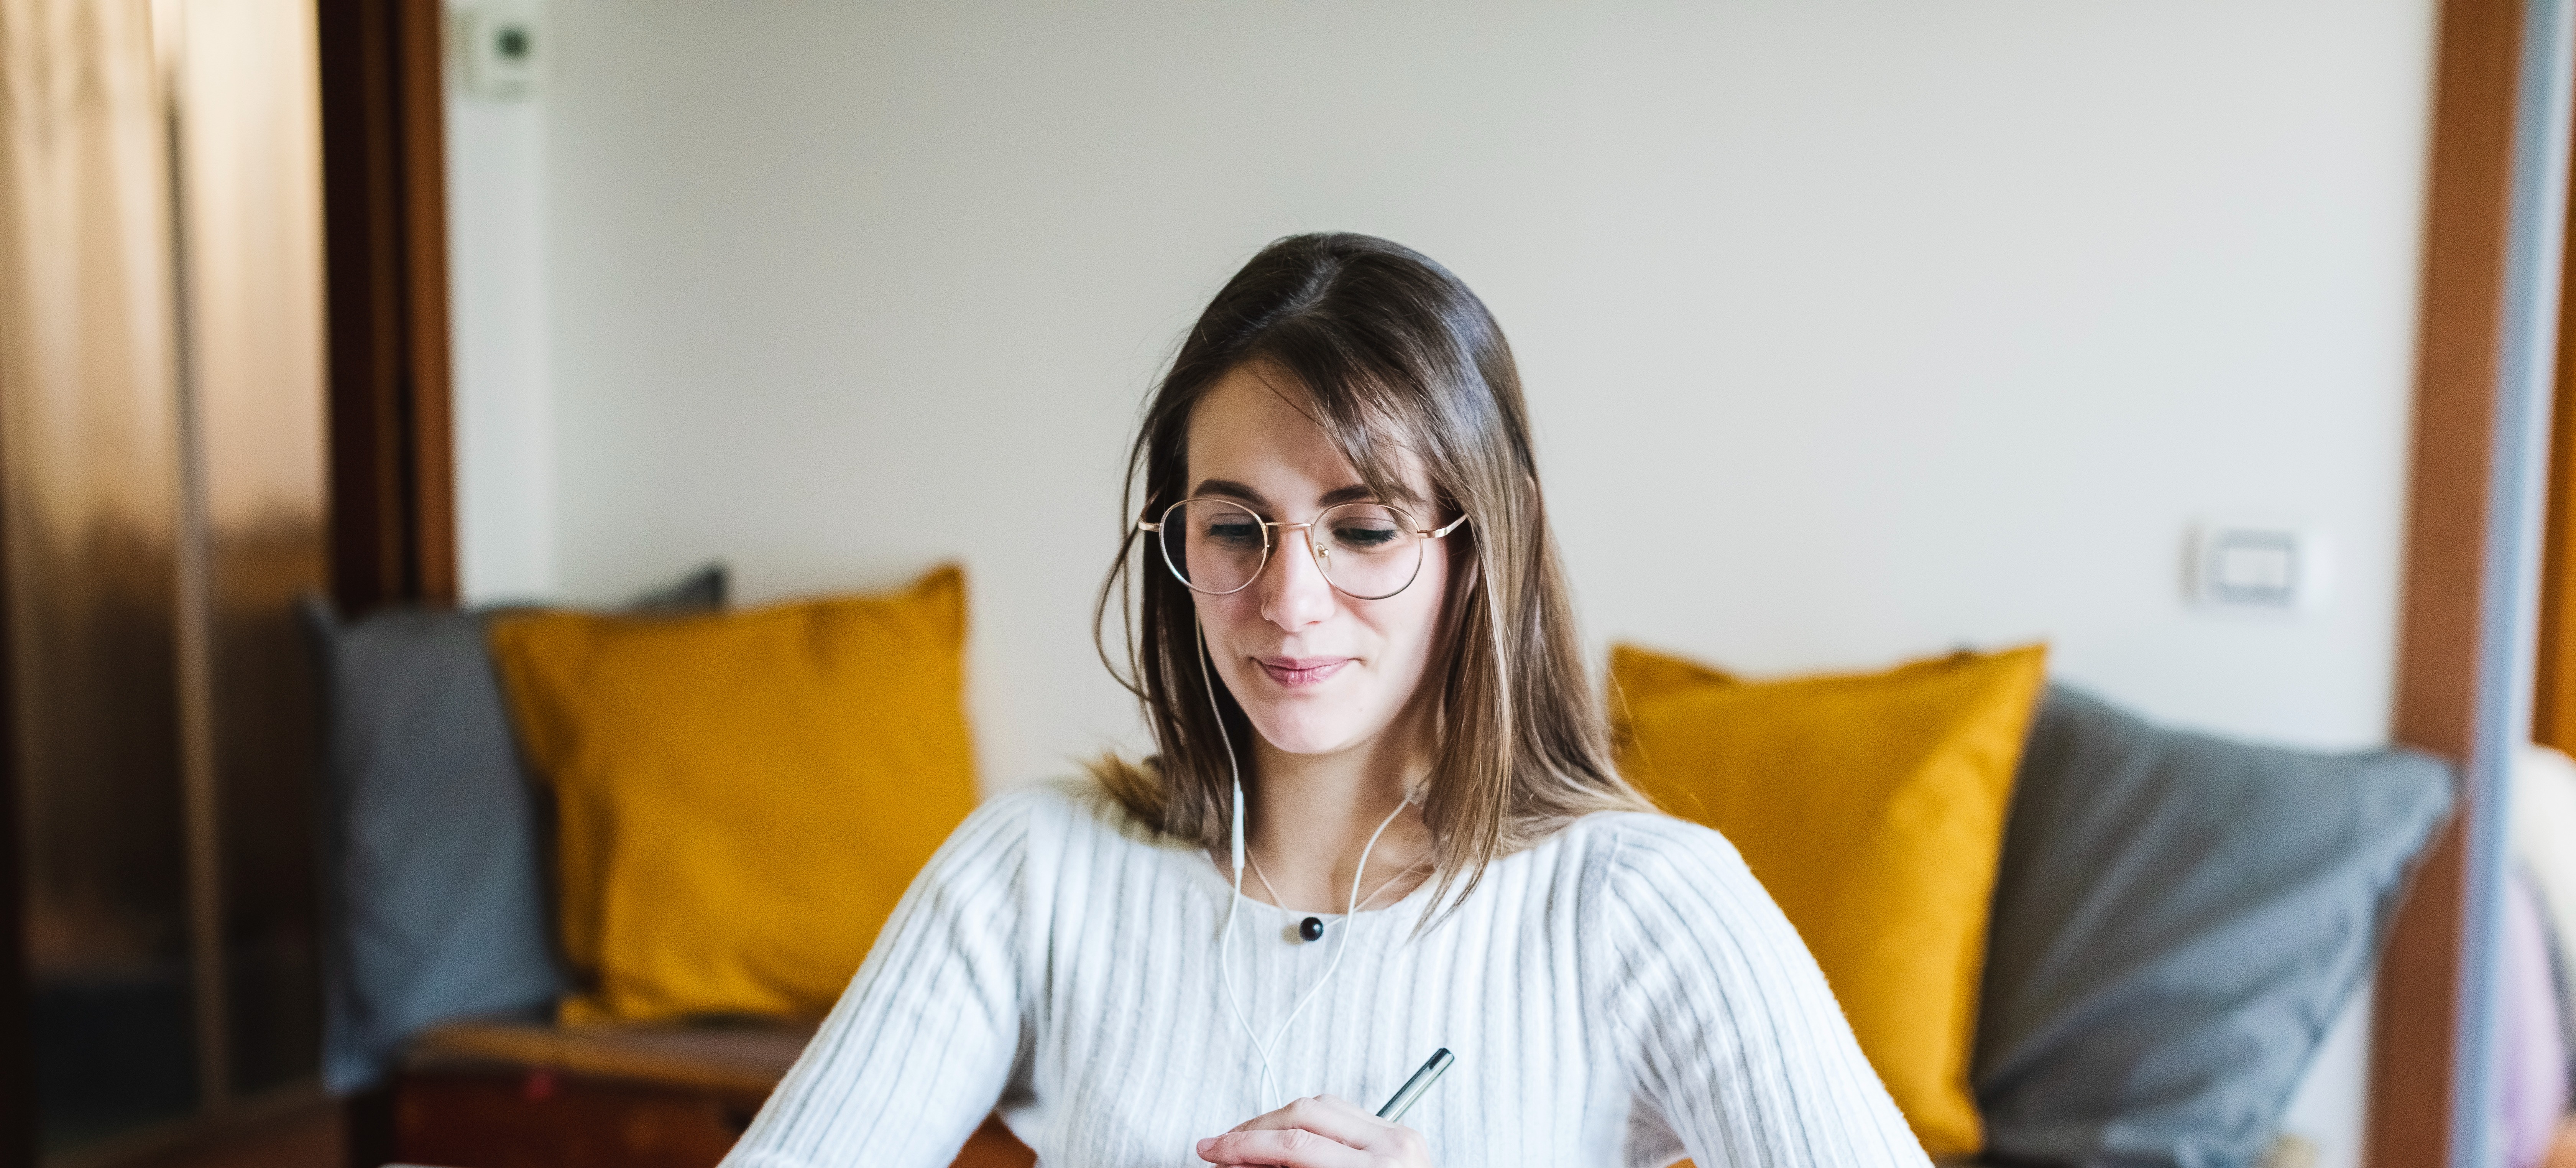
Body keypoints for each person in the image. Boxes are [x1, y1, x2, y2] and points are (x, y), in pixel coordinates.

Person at [718, 234, 1929, 1168]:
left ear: (1480, 546)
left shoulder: (1646, 906)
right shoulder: (1033, 873)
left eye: (1363, 528)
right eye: (1235, 528)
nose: (1290, 602)